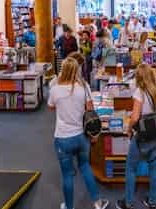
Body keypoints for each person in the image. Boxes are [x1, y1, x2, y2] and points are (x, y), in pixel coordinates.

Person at [48, 58, 109, 209]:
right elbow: (90, 110)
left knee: (67, 175)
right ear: (77, 70)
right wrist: (94, 135)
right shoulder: (83, 87)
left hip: (62, 137)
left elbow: (51, 107)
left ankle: (69, 207)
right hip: (82, 135)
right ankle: (97, 202)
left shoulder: (55, 89)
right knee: (85, 167)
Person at [116, 64, 156, 209]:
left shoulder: (140, 92)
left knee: (131, 168)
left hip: (143, 136)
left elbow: (135, 117)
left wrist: (129, 130)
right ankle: (152, 201)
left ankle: (128, 202)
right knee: (154, 167)